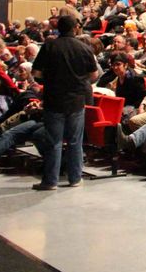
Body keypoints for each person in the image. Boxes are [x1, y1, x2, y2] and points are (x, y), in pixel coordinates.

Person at [31, 15, 99, 190]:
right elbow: (93, 75)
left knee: (54, 141)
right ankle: (75, 178)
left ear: (58, 28)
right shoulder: (84, 48)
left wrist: (52, 78)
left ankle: (50, 181)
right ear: (75, 28)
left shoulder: (49, 46)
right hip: (76, 100)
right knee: (75, 141)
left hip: (54, 99)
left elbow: (36, 73)